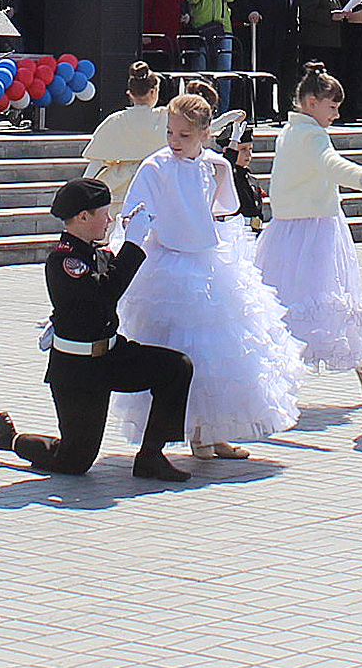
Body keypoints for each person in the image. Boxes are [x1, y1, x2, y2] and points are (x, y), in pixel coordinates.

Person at [114, 90, 305, 461]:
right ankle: (171, 436)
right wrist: (127, 257)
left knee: (216, 355)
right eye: (170, 133)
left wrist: (220, 175)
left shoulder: (212, 164)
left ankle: (211, 433)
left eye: (184, 135)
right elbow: (136, 212)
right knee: (178, 349)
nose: (174, 141)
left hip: (206, 262)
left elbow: (224, 208)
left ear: (204, 134)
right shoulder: (156, 166)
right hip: (167, 265)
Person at [0, 177, 195, 482]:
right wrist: (133, 245)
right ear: (82, 217)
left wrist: (134, 239)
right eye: (104, 214)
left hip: (111, 355)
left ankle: (151, 456)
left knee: (176, 367)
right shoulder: (65, 260)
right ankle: (7, 438)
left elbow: (112, 274)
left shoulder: (95, 253)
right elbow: (104, 295)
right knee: (74, 460)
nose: (109, 220)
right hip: (78, 369)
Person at [253, 66, 362, 398]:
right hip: (312, 231)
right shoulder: (311, 135)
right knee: (319, 301)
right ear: (311, 103)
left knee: (317, 301)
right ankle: (274, 380)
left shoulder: (292, 130)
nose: (336, 114)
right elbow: (331, 163)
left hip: (293, 229)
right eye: (332, 107)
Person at [83, 61, 169, 205]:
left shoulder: (115, 121)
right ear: (153, 92)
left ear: (130, 94)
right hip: (157, 188)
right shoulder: (166, 118)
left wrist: (82, 193)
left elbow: (95, 164)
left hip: (120, 193)